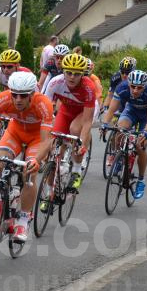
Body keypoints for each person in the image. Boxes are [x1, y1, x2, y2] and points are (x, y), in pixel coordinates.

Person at [0, 71, 53, 243]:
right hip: (15, 133)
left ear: (32, 94)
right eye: (14, 94)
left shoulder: (43, 103)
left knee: (29, 174)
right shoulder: (2, 98)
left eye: (23, 96)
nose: (17, 99)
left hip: (36, 138)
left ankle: (23, 219)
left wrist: (36, 160)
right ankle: (2, 196)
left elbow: (47, 141)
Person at [102, 70, 147, 199]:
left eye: (139, 88)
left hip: (146, 117)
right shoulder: (122, 87)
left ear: (145, 86)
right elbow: (111, 110)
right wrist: (105, 124)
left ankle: (141, 180)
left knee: (140, 146)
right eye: (133, 86)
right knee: (119, 130)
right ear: (128, 84)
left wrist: (146, 133)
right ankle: (120, 158)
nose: (135, 90)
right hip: (131, 111)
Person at [43, 54, 94, 191]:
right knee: (53, 151)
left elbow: (88, 120)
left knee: (75, 130)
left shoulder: (88, 87)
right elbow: (45, 110)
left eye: (77, 74)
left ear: (82, 74)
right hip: (66, 111)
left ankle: (76, 170)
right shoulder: (55, 82)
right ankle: (49, 192)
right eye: (69, 73)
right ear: (63, 71)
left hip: (83, 112)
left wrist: (81, 142)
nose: (72, 77)